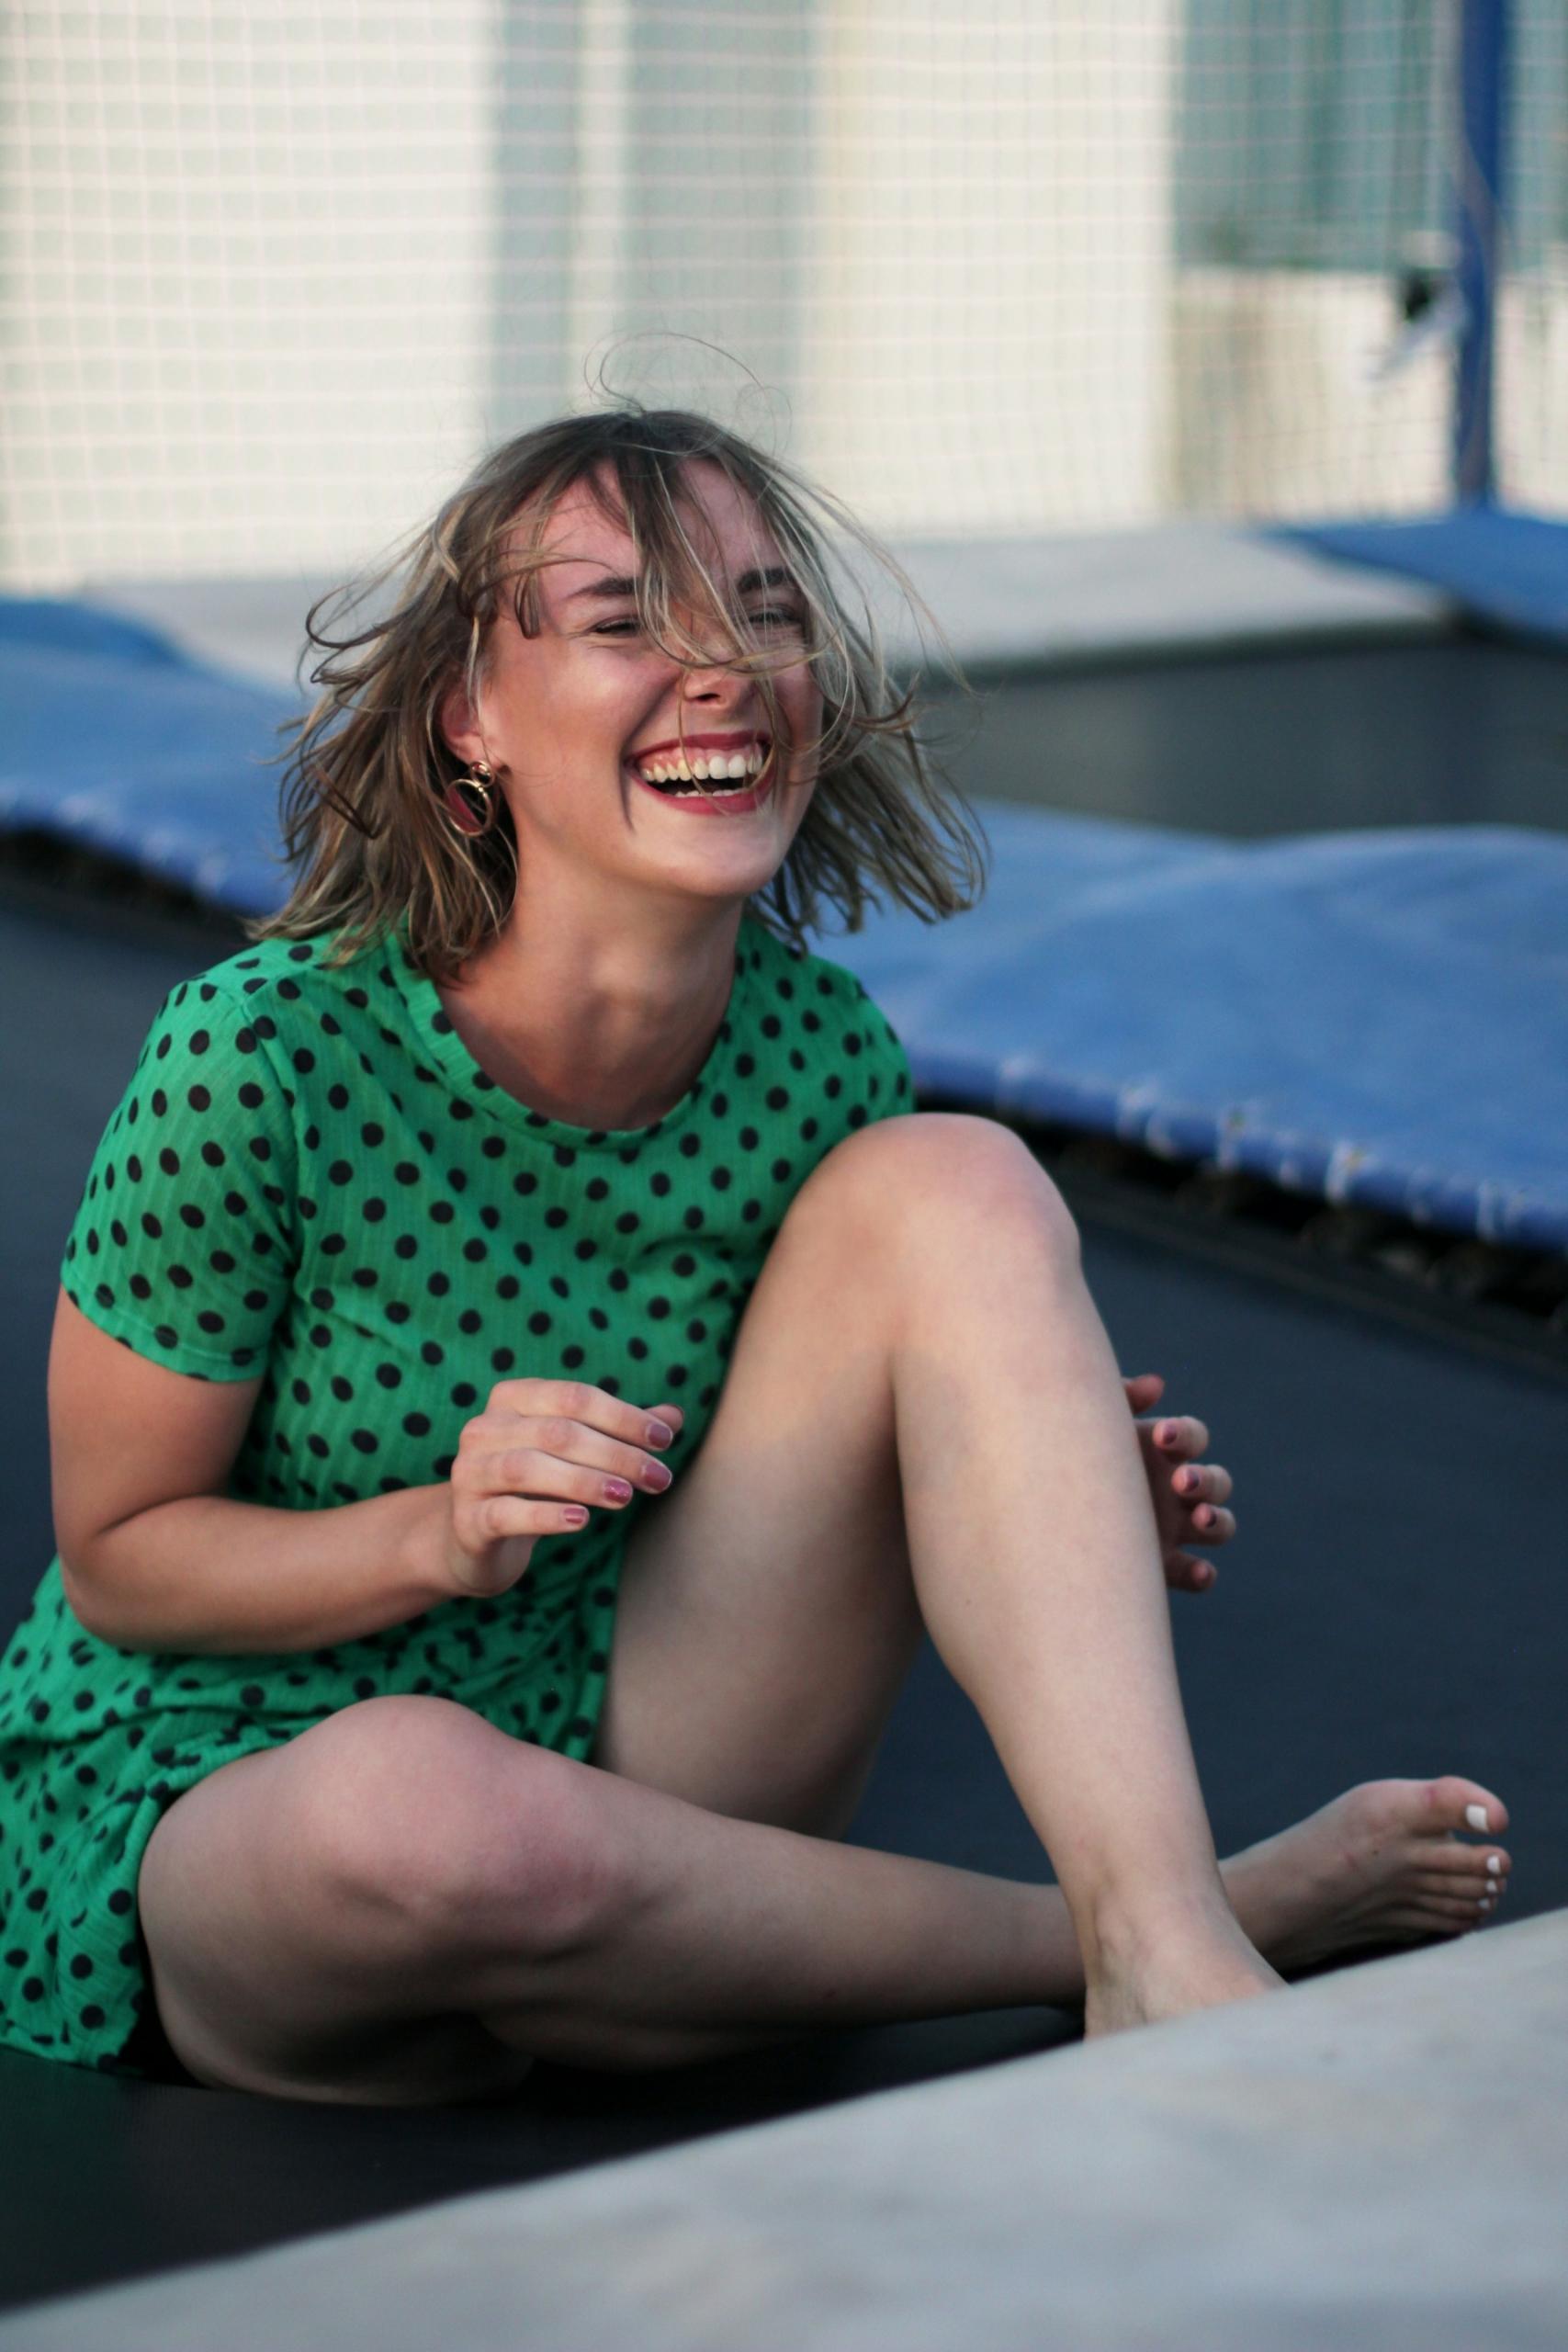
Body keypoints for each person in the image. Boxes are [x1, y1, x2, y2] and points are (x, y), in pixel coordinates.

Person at [0, 407, 1510, 2108]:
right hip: (249, 1797)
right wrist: (440, 1533)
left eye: (765, 613)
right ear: (469, 717)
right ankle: (1173, 1921)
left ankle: (1161, 1948)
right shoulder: (262, 1057)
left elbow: (800, 1485)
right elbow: (122, 1557)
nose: (721, 668)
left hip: (648, 1732)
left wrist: (1030, 1494)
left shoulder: (820, 1060)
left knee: (959, 1181)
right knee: (424, 1811)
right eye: (624, 618)